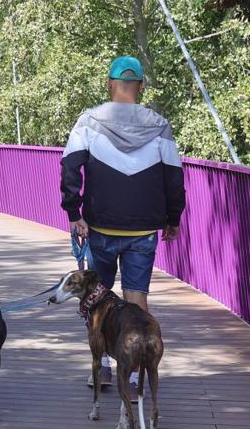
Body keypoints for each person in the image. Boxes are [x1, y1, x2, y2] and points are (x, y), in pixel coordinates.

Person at [60, 55, 185, 389]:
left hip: (101, 226)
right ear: (140, 87)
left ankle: (101, 367)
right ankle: (138, 370)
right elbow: (175, 178)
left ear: (109, 84)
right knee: (136, 299)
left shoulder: (88, 121)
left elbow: (70, 169)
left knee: (96, 298)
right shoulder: (159, 125)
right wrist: (173, 219)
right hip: (143, 230)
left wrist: (75, 214)